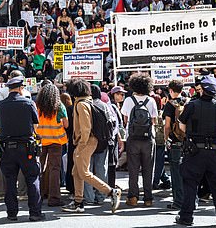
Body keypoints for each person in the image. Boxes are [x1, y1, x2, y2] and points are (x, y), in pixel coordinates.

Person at [175, 76, 216, 227]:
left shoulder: (192, 105)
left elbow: (181, 126)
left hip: (195, 152)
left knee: (190, 184)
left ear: (203, 90)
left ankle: (186, 217)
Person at [62, 79, 121, 214]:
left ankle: (111, 191)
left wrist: (81, 144)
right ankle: (78, 202)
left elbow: (85, 127)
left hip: (86, 142)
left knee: (83, 172)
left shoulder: (81, 104)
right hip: (89, 141)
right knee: (76, 172)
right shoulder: (86, 102)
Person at [0, 75, 44, 222]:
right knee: (32, 178)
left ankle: (12, 213)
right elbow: (36, 128)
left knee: (9, 181)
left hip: (7, 148)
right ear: (21, 88)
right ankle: (35, 212)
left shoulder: (1, 105)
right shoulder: (29, 103)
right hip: (26, 147)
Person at [121, 73, 157, 207]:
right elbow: (154, 120)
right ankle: (148, 199)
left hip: (133, 138)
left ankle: (133, 197)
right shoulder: (151, 100)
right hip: (148, 139)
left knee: (133, 169)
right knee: (148, 170)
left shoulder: (128, 100)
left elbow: (125, 119)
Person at [36, 81, 68, 207]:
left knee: (40, 167)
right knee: (54, 169)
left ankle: (40, 193)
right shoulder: (59, 106)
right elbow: (66, 124)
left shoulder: (37, 106)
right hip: (56, 141)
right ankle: (54, 198)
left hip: (41, 141)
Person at [162, 80, 186, 210]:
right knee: (188, 173)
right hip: (187, 143)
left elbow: (167, 125)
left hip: (175, 142)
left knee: (176, 174)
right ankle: (191, 200)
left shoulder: (170, 105)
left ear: (171, 90)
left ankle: (178, 202)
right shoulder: (188, 102)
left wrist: (166, 140)